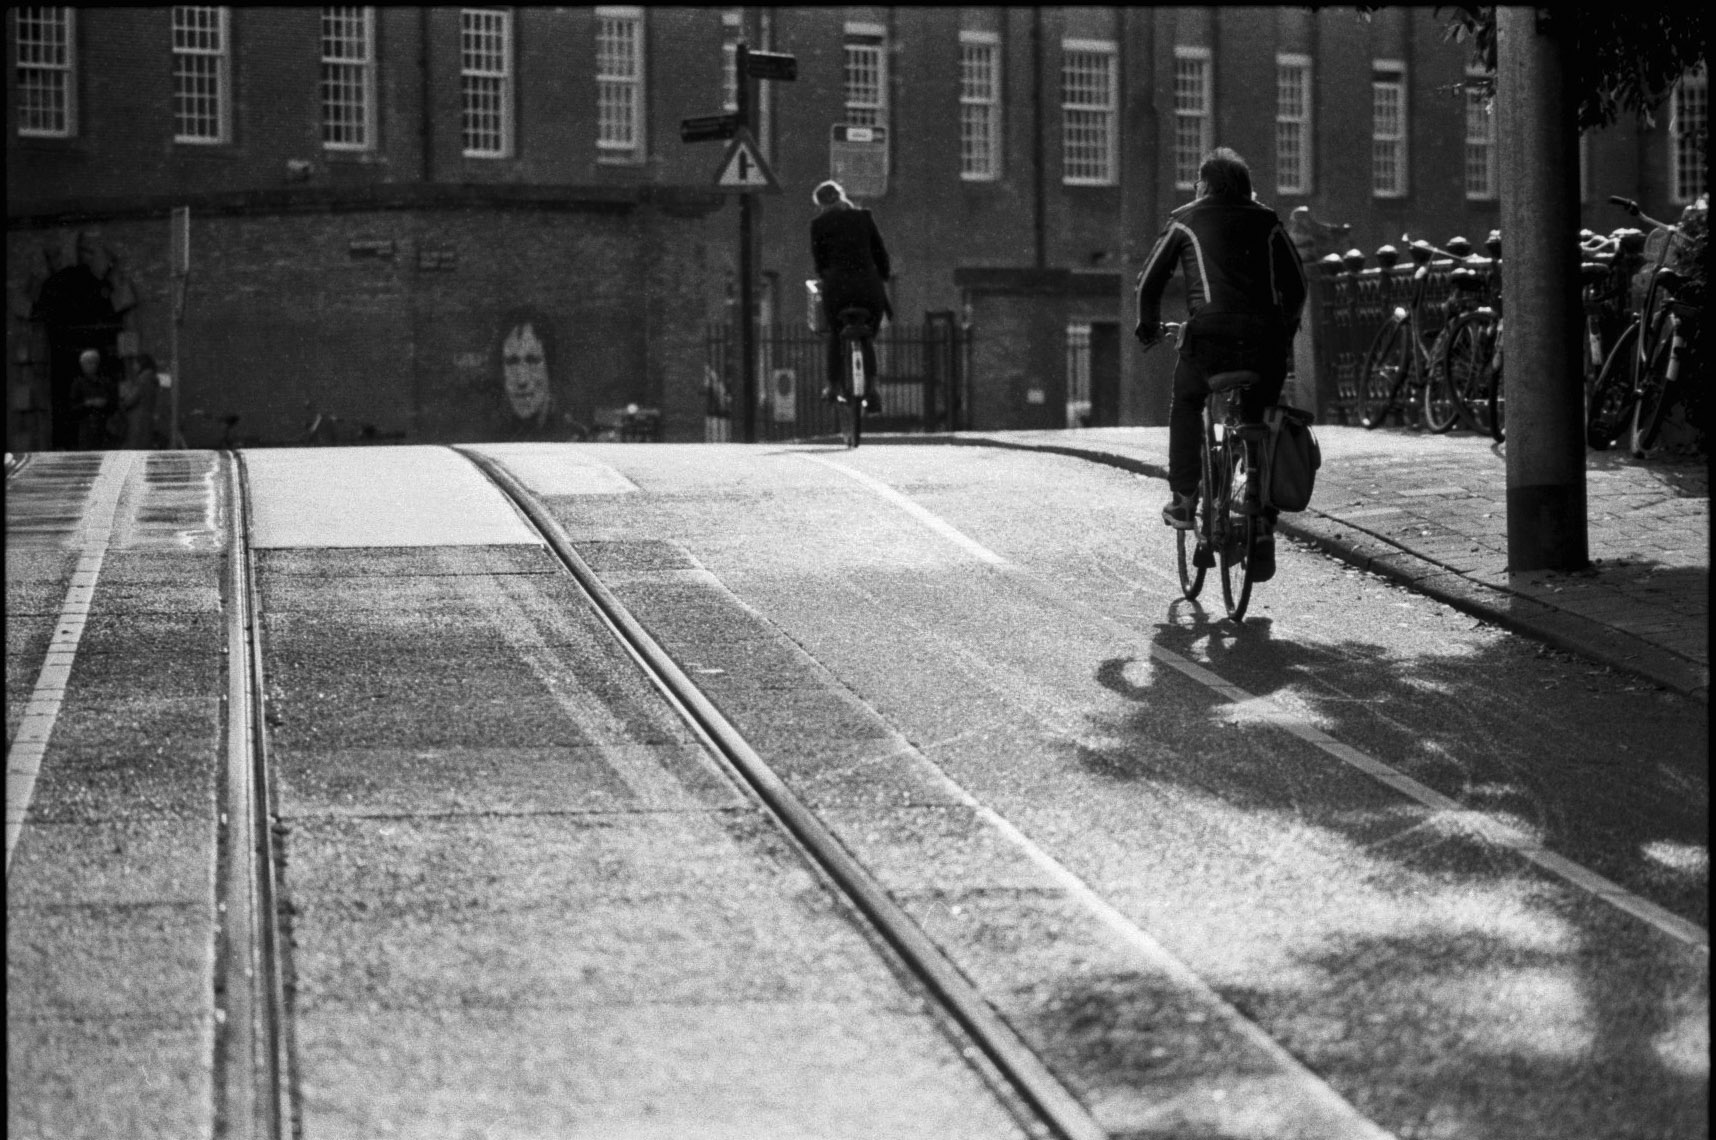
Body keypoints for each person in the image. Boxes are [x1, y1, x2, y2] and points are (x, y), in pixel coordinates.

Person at [1134, 146, 1307, 582]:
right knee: (1263, 419)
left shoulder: (1185, 219)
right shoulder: (1267, 220)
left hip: (1209, 343)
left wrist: (1148, 326)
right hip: (1265, 346)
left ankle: (1183, 498)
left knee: (1187, 401)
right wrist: (1285, 330)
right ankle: (1262, 520)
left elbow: (1149, 281)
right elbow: (1298, 284)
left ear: (1206, 185)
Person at [809, 180, 892, 413]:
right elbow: (879, 252)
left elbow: (820, 263)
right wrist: (882, 275)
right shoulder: (863, 218)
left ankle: (832, 386)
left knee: (836, 333)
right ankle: (873, 390)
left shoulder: (819, 225)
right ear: (841, 196)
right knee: (867, 335)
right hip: (868, 287)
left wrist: (828, 276)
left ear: (820, 204)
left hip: (838, 289)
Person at [69, 348, 116, 451]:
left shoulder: (106, 382)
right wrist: (88, 403)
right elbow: (72, 408)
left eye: (95, 362)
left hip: (105, 428)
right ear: (82, 365)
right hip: (86, 428)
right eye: (89, 363)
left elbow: (114, 403)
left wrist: (105, 403)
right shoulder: (78, 383)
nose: (92, 365)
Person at [120, 353, 161, 449]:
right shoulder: (152, 378)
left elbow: (130, 400)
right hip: (147, 417)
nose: (133, 367)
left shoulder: (142, 379)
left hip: (137, 419)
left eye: (135, 363)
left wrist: (125, 395)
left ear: (141, 364)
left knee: (135, 447)